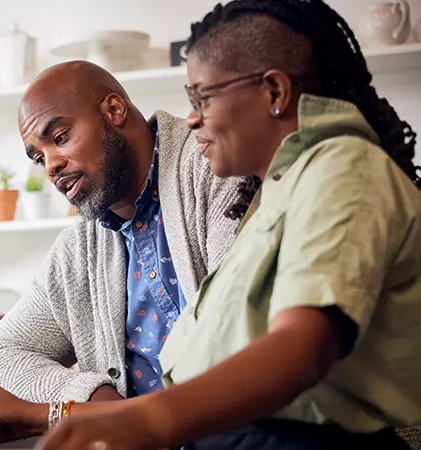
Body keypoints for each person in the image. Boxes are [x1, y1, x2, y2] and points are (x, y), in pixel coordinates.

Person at [29, 1, 421, 449]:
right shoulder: (273, 198)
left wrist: (145, 419)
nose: (191, 117)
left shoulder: (345, 168)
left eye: (203, 98)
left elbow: (303, 348)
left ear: (274, 91)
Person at [0, 60, 241, 426]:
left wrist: (68, 414)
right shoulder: (78, 250)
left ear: (114, 110)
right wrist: (92, 398)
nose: (51, 166)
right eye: (39, 157)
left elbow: (241, 341)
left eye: (60, 138)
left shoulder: (214, 170)